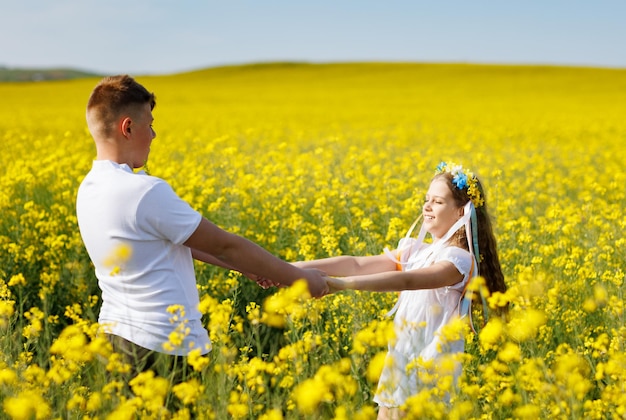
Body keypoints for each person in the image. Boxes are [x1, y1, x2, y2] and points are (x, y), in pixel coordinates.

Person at [76, 75, 329, 380]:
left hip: (116, 341)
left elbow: (175, 242)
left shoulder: (90, 187)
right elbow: (226, 245)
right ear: (127, 128)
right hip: (162, 351)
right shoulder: (142, 191)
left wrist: (243, 267)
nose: (154, 135)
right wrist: (301, 280)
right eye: (150, 125)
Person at [294, 162, 506, 419]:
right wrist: (290, 268)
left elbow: (407, 281)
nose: (427, 206)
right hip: (402, 357)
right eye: (427, 199)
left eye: (438, 202)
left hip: (430, 364)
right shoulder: (416, 251)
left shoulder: (459, 260)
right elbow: (356, 263)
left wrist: (339, 284)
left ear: (462, 211)